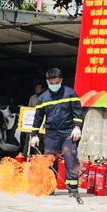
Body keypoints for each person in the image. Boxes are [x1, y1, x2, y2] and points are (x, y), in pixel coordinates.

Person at [31, 67, 83, 201]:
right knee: (49, 159)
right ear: (47, 82)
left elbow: (77, 112)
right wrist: (34, 135)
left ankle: (73, 188)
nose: (54, 85)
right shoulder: (42, 98)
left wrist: (77, 127)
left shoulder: (70, 93)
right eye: (51, 83)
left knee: (70, 157)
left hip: (68, 132)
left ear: (61, 80)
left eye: (56, 82)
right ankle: (50, 186)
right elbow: (38, 117)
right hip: (51, 134)